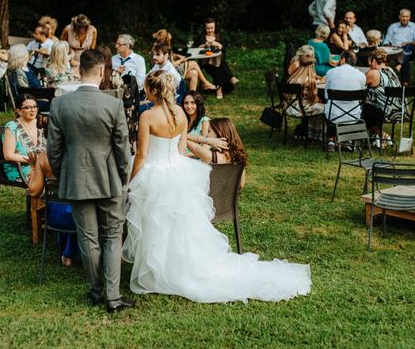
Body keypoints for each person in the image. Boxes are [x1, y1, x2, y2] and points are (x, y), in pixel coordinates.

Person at [123, 71, 310, 303]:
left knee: (158, 222)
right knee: (180, 225)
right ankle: (177, 266)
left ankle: (159, 271)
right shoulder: (180, 113)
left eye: (146, 89)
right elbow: (181, 151)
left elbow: (141, 154)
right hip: (179, 171)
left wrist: (132, 181)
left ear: (152, 90)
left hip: (156, 172)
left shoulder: (148, 116)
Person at [47, 49, 132, 313]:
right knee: (112, 235)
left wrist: (65, 174)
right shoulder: (113, 104)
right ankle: (113, 296)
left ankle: (96, 291)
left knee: (88, 238)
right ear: (101, 71)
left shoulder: (60, 104)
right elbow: (122, 148)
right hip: (109, 179)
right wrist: (123, 177)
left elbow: (53, 150)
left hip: (76, 178)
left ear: (79, 70)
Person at [27, 151, 78, 266]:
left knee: (67, 209)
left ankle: (67, 255)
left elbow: (34, 191)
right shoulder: (83, 153)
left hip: (56, 217)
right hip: (83, 214)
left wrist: (34, 167)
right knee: (75, 208)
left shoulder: (44, 157)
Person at [186, 117, 248, 188]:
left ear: (218, 133)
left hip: (209, 198)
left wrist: (207, 140)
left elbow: (182, 137)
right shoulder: (239, 155)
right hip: (227, 198)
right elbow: (241, 185)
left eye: (209, 131)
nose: (207, 135)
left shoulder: (210, 156)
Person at [324, 51, 367, 148]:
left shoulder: (331, 72)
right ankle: (349, 139)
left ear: (343, 59)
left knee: (330, 107)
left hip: (333, 116)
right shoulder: (361, 75)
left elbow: (326, 95)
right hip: (353, 116)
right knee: (350, 107)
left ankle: (331, 140)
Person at [2, 94, 46, 183]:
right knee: (48, 180)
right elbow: (8, 155)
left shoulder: (41, 123)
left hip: (43, 166)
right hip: (20, 169)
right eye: (28, 107)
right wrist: (33, 161)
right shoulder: (12, 127)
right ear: (19, 111)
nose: (33, 110)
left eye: (35, 106)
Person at [285, 45, 325, 141]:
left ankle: (308, 131)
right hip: (301, 110)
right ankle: (316, 135)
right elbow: (312, 98)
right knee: (326, 107)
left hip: (289, 107)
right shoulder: (308, 81)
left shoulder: (294, 78)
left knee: (318, 103)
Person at [194, 18, 238, 99]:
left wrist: (217, 44)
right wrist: (204, 45)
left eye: (212, 28)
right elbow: (195, 49)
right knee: (218, 65)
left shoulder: (219, 36)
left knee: (217, 65)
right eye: (208, 28)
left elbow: (224, 51)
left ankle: (219, 88)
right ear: (205, 28)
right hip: (206, 62)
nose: (210, 30)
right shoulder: (201, 37)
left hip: (218, 62)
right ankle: (230, 77)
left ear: (215, 28)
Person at [363, 48, 401, 139]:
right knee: (369, 106)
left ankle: (382, 135)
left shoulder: (373, 73)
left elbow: (358, 84)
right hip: (399, 111)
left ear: (374, 61)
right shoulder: (391, 70)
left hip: (385, 113)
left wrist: (370, 67)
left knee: (365, 108)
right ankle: (376, 137)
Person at [383, 8, 415, 84]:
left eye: (407, 16)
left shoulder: (413, 26)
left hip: (410, 50)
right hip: (395, 51)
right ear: (399, 17)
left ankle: (399, 65)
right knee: (404, 57)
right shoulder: (393, 27)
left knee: (406, 49)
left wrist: (408, 42)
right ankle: (405, 82)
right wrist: (390, 47)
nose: (405, 18)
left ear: (409, 17)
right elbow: (386, 41)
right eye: (403, 16)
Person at [182, 90, 227, 155]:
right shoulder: (183, 120)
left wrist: (185, 155)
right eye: (186, 103)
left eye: (192, 103)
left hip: (194, 157)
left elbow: (205, 148)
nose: (189, 106)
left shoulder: (204, 121)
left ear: (198, 104)